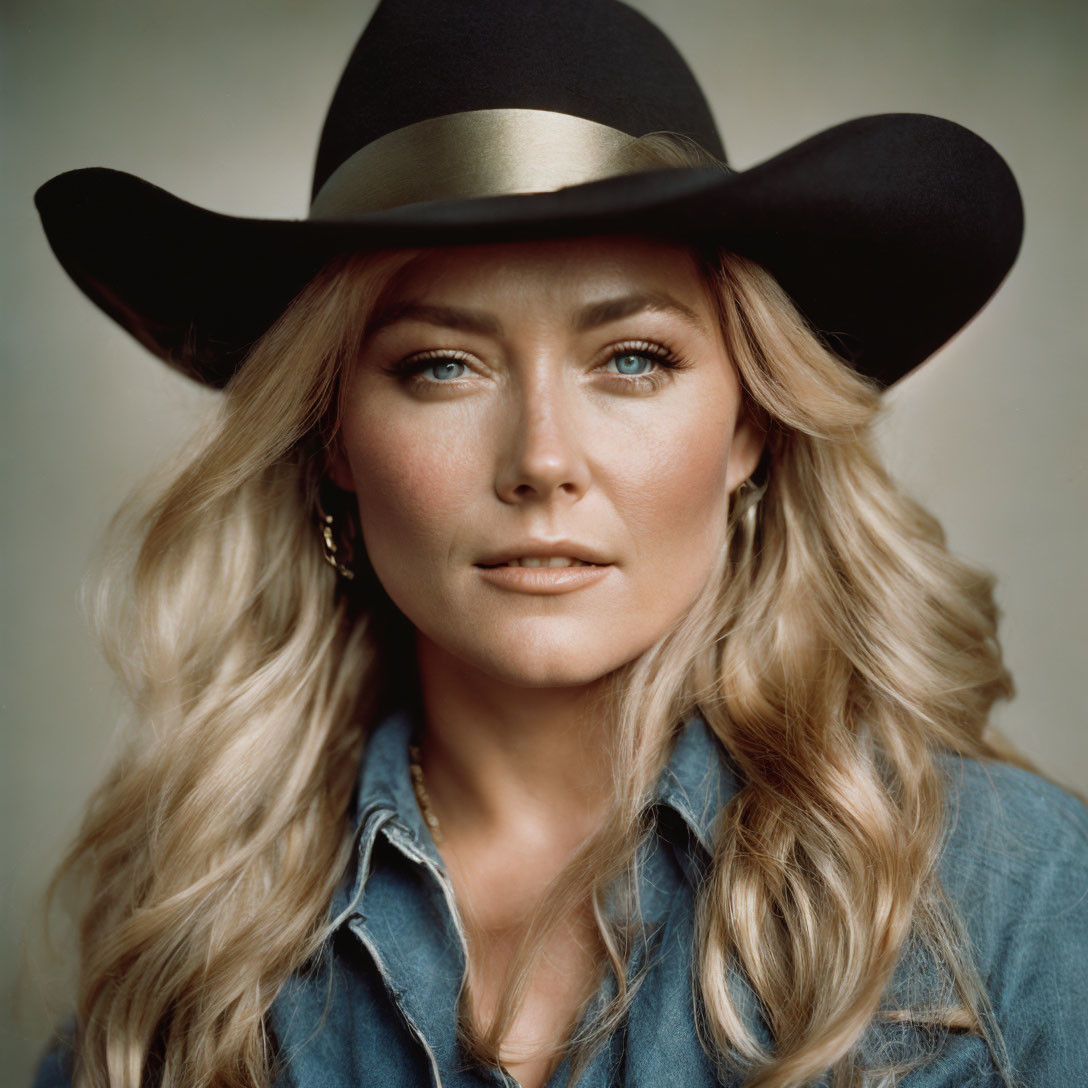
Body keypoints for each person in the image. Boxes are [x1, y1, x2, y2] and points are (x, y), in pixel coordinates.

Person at [31, 1, 1088, 1086]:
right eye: (439, 364)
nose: (541, 457)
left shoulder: (1016, 898)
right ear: (333, 435)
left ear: (749, 426)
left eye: (630, 357)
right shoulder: (188, 942)